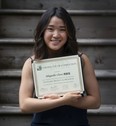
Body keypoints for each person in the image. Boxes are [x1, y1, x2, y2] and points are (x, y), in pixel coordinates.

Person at [19, 7, 101, 126]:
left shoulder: (81, 60)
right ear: (42, 31)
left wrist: (67, 100)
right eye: (50, 29)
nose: (56, 35)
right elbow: (24, 105)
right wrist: (63, 100)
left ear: (69, 33)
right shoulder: (31, 63)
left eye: (62, 29)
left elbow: (95, 101)